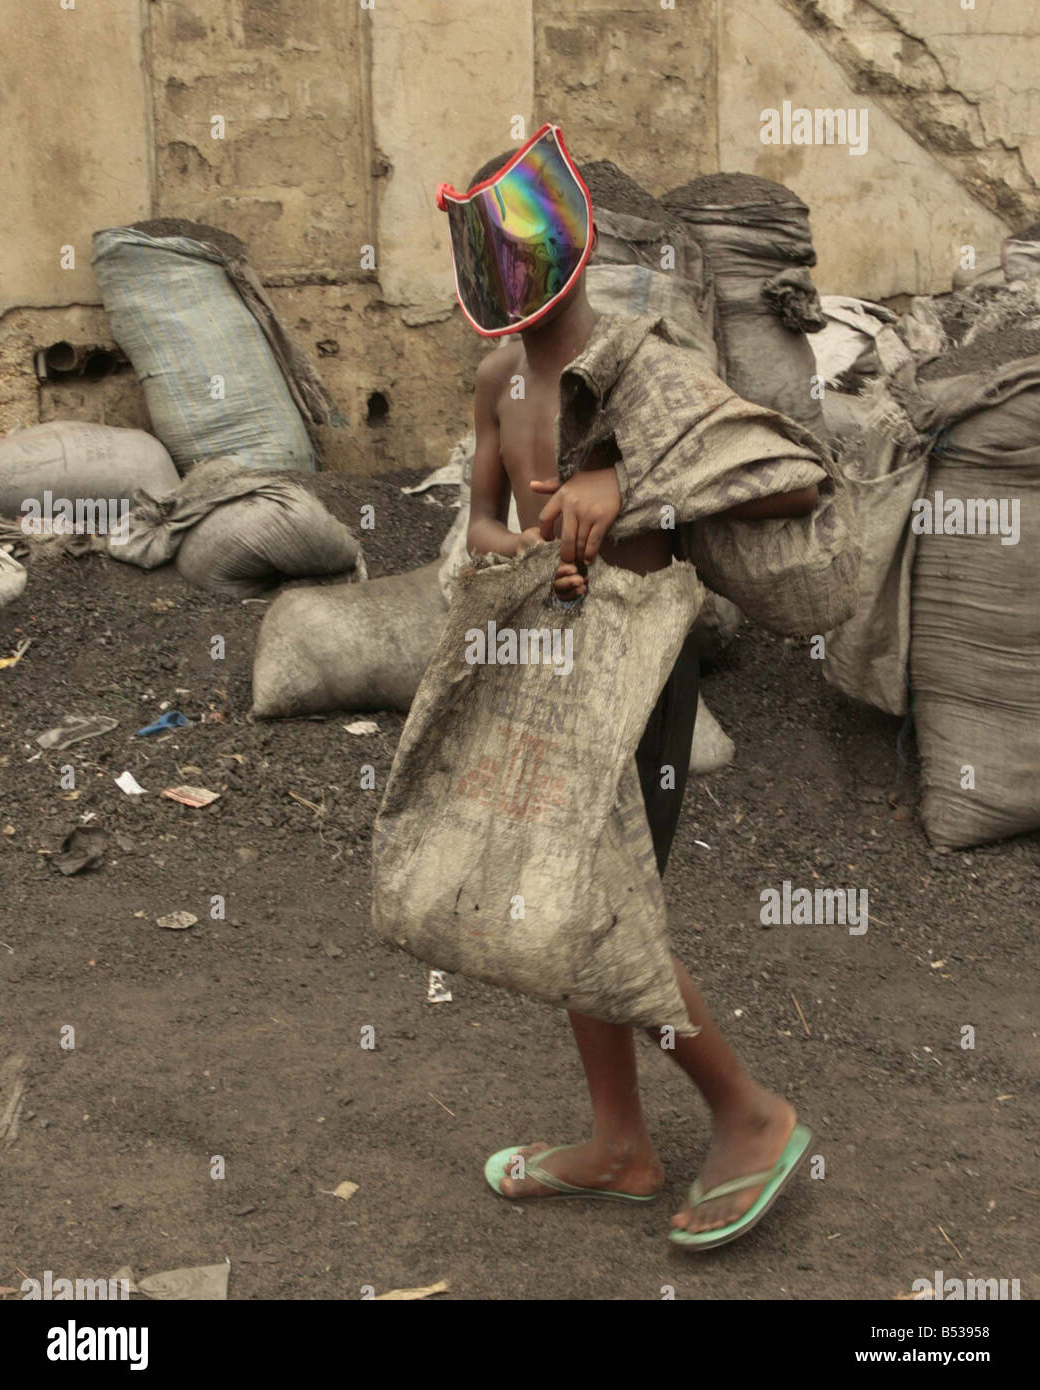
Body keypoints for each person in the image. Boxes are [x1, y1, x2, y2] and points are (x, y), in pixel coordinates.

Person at [436, 125, 827, 1249]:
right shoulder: (497, 379)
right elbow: (478, 518)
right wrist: (521, 546)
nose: (518, 309)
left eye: (524, 282)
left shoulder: (647, 363)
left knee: (600, 908)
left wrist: (629, 495)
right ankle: (617, 1144)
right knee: (563, 901)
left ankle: (746, 1114)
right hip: (544, 672)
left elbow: (786, 482)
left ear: (572, 253)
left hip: (637, 676)